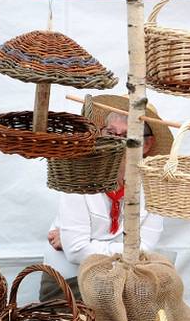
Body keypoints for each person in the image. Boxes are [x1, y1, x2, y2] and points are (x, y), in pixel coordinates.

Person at [40, 97, 170, 303]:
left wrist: (85, 244)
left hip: (123, 281)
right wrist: (123, 249)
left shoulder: (155, 189)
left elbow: (145, 250)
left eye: (127, 136)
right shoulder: (78, 176)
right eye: (110, 133)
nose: (116, 143)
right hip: (69, 283)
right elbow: (76, 252)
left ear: (146, 144)